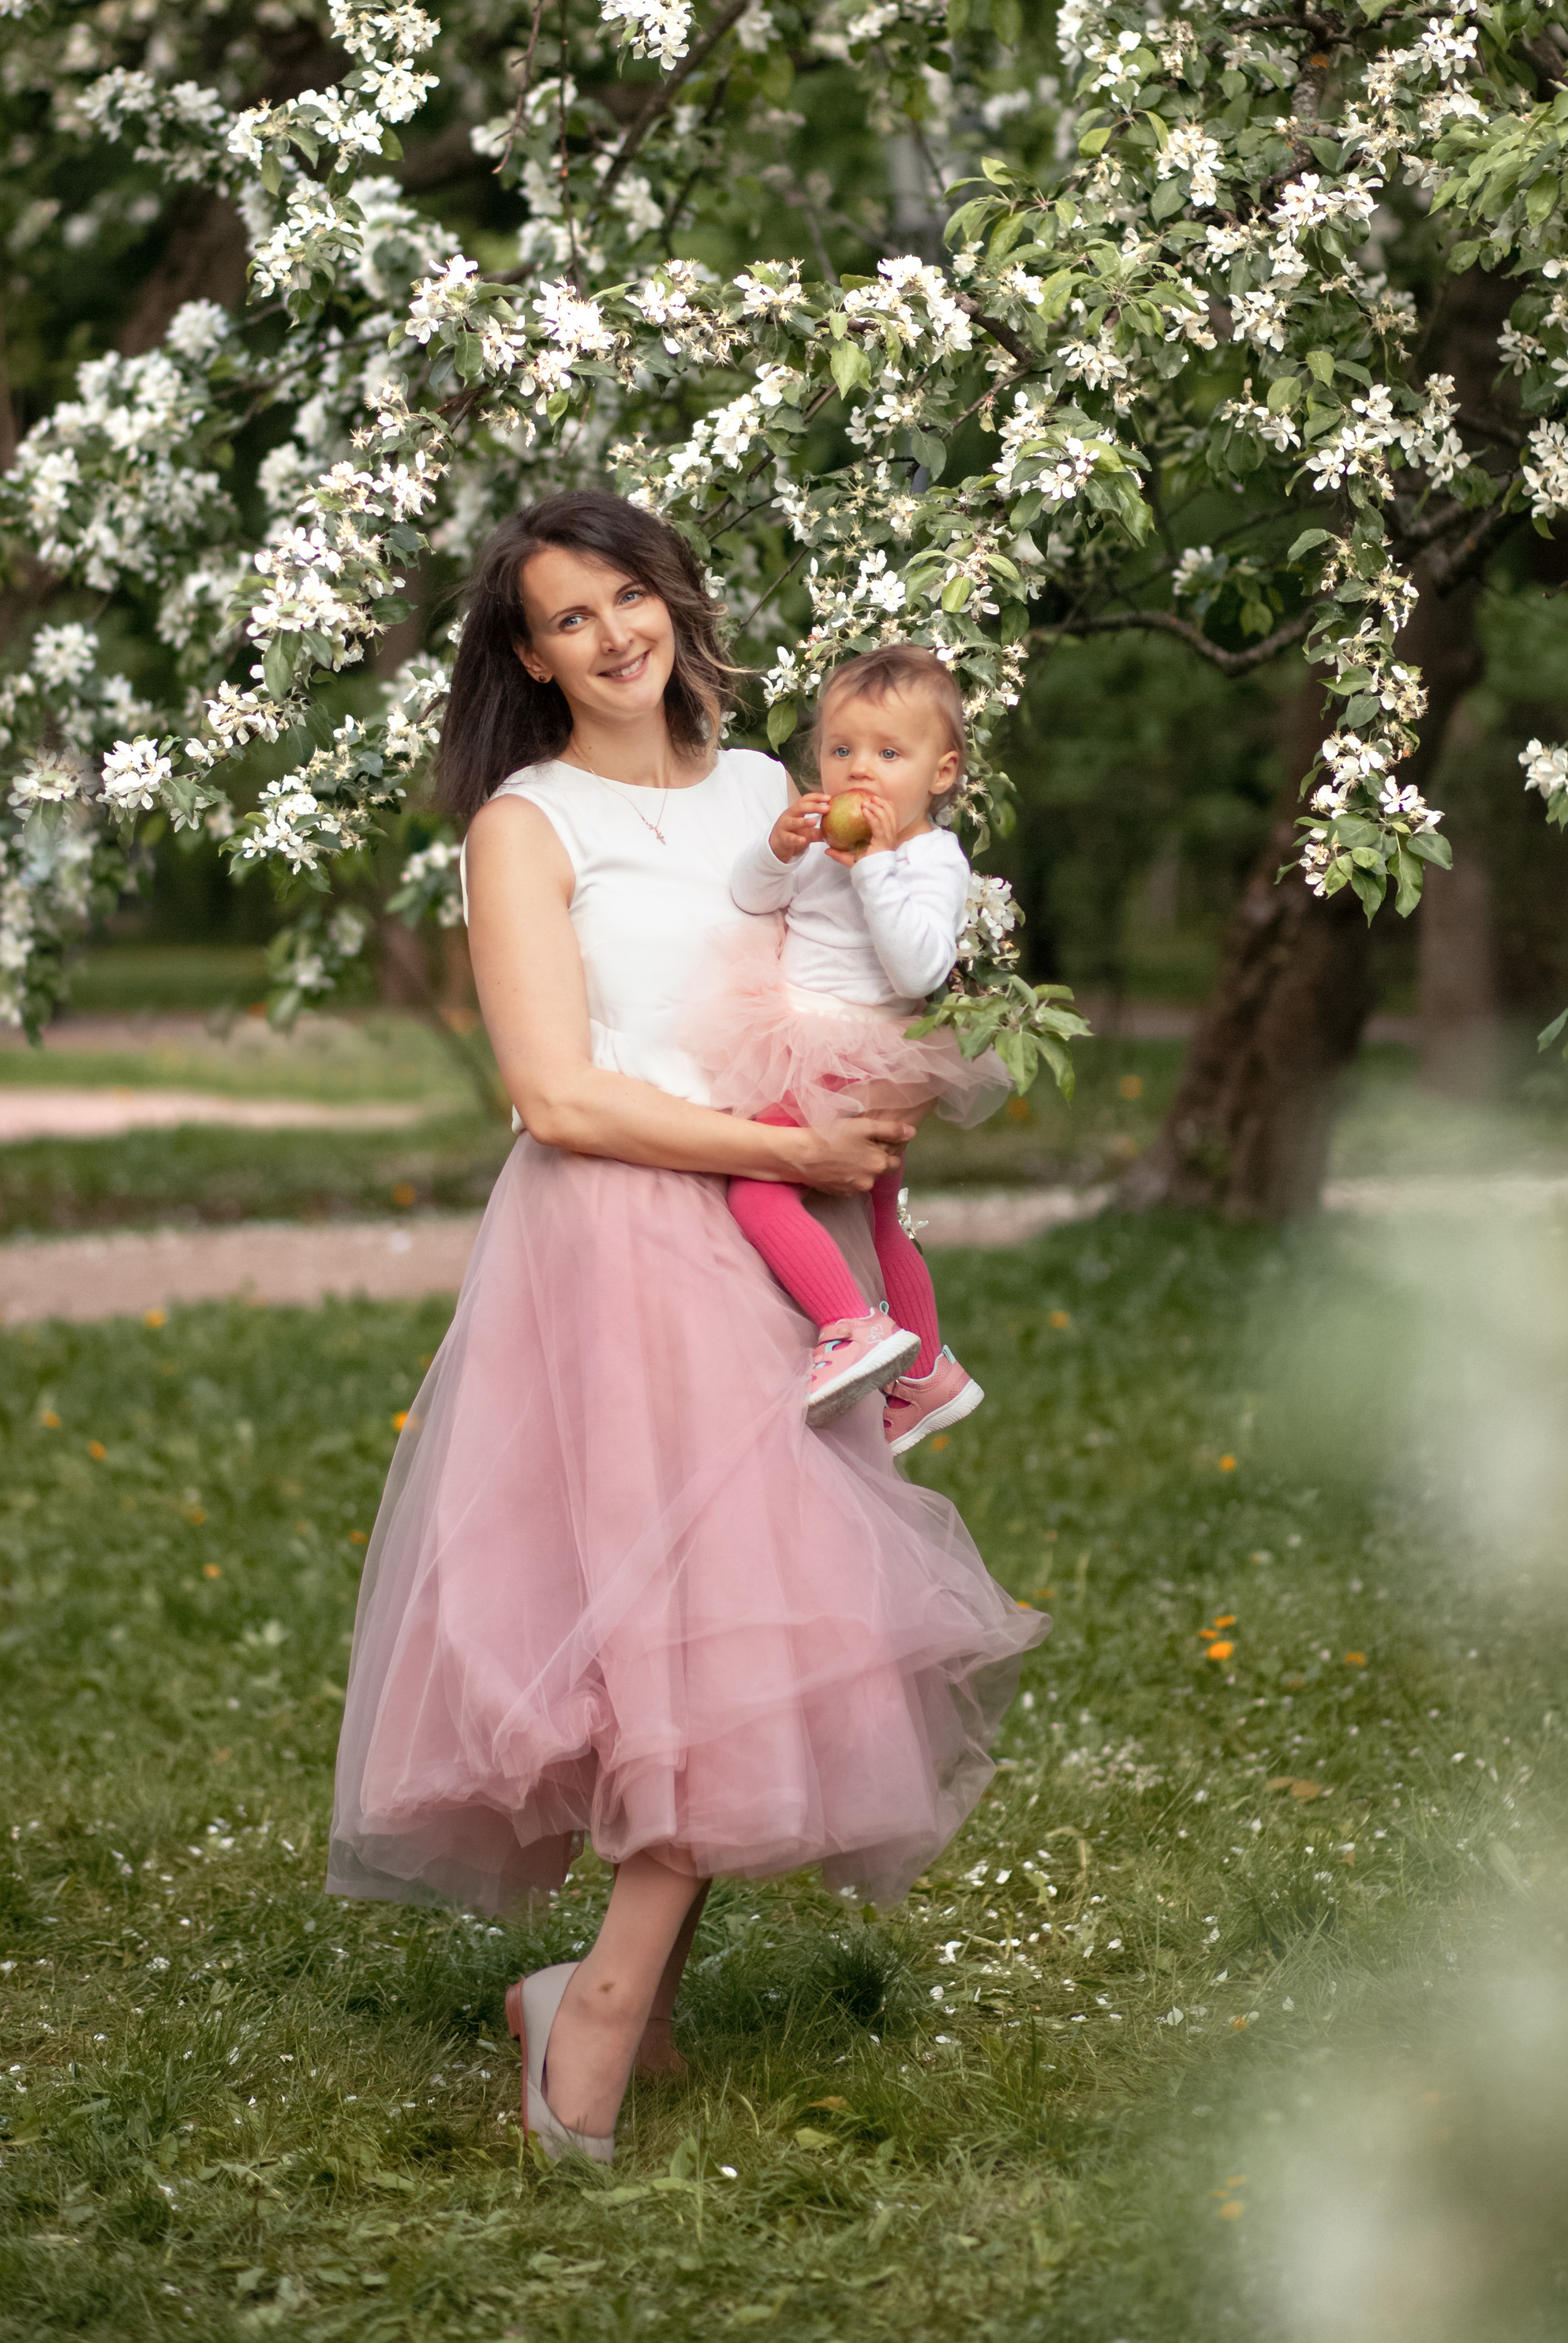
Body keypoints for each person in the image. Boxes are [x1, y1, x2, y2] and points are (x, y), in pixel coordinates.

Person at [326, 489, 1046, 2170]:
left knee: (756, 1627)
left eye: (628, 594)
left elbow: (842, 974)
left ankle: (610, 1993)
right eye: (569, 617)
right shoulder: (528, 823)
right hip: (618, 1239)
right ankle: (588, 2012)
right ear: (530, 654)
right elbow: (554, 1092)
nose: (613, 632)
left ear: (672, 600)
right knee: (703, 1622)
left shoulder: (759, 794)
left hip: (780, 1239)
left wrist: (860, 1117)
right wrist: (786, 1153)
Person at [683, 644, 1005, 1457]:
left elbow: (920, 966)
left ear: (941, 772)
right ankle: (926, 1370)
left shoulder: (930, 859)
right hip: (801, 1036)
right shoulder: (825, 840)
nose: (860, 772)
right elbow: (750, 896)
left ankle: (849, 1327)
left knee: (757, 1193)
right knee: (878, 1216)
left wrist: (875, 869)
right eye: (841, 750)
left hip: (852, 1051)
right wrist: (779, 851)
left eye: (889, 755)